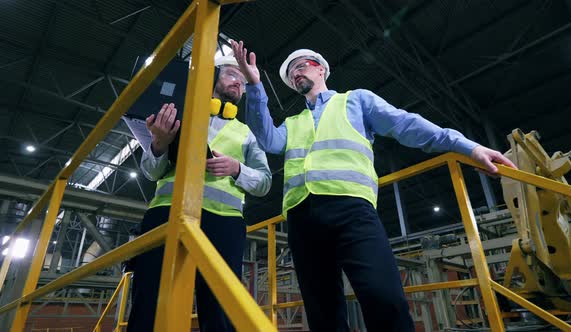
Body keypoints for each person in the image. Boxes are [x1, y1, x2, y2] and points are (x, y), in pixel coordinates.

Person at [231, 40, 516, 332]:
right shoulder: (293, 122)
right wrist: (255, 86)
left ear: (320, 70)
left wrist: (468, 147)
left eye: (301, 67)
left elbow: (408, 125)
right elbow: (266, 139)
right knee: (322, 311)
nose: (296, 74)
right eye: (291, 74)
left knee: (384, 297)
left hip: (351, 210)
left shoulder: (355, 101)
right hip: (302, 218)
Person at [127, 55, 272, 332]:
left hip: (224, 222)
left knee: (220, 307)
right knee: (150, 300)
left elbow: (265, 183)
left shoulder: (246, 133)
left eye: (243, 82)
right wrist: (159, 143)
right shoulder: (177, 114)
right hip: (168, 213)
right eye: (232, 75)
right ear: (212, 76)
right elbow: (151, 171)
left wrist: (237, 168)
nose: (239, 84)